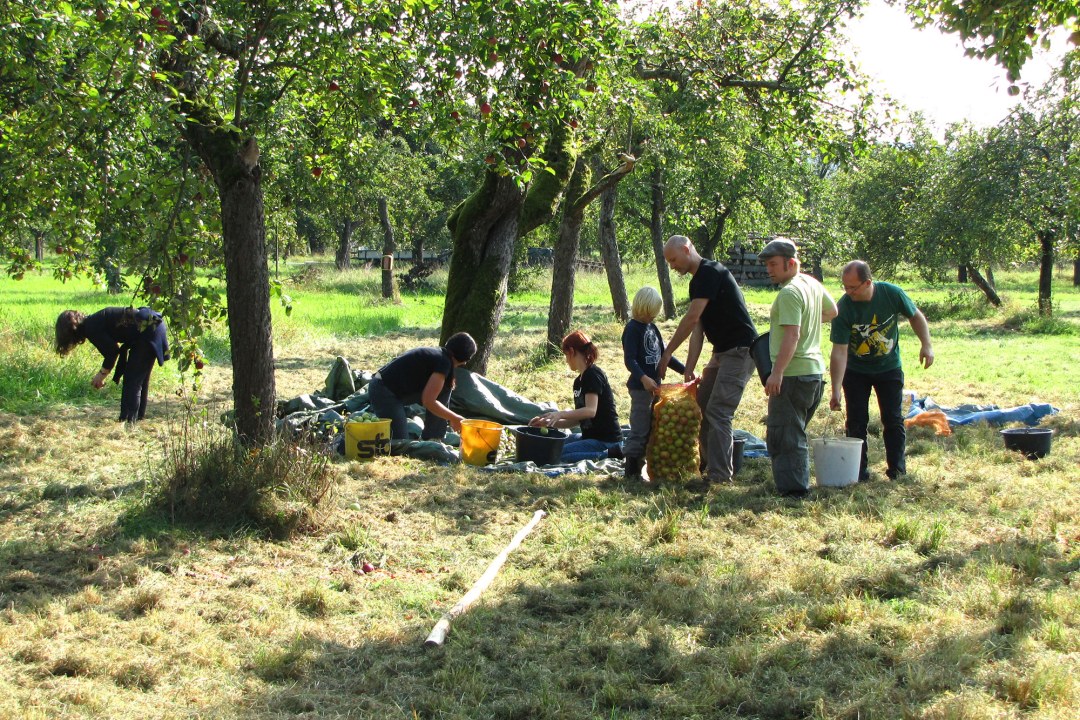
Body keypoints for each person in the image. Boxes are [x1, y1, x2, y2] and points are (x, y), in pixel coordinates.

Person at [658, 235, 758, 483]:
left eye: (673, 259)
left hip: (740, 350)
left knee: (719, 411)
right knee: (700, 406)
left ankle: (721, 475)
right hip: (722, 352)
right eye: (668, 262)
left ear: (686, 248)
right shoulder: (697, 282)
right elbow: (698, 329)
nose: (672, 266)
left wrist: (667, 352)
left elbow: (691, 318)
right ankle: (706, 465)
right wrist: (688, 368)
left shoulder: (710, 271)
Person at [829, 260, 934, 481]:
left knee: (893, 419)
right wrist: (836, 389)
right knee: (856, 421)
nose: (848, 292)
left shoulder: (891, 293)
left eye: (852, 287)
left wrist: (926, 345)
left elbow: (915, 316)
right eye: (844, 287)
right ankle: (858, 473)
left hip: (889, 368)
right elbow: (839, 351)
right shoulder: (844, 308)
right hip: (856, 371)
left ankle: (897, 471)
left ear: (867, 282)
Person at [759, 238, 838, 498]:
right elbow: (832, 311)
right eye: (767, 265)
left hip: (793, 374)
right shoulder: (812, 284)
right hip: (815, 373)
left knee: (786, 435)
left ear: (791, 263)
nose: (769, 269)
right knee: (795, 431)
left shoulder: (790, 292)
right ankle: (795, 484)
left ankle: (794, 492)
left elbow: (792, 336)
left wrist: (777, 372)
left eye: (773, 264)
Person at [54, 306, 170, 423]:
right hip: (153, 325)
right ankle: (136, 419)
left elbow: (112, 352)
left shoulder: (91, 328)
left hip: (148, 329)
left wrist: (101, 375)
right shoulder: (93, 322)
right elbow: (114, 349)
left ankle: (127, 421)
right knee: (139, 379)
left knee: (132, 380)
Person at [529, 330, 623, 463]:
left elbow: (590, 411)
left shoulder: (593, 375)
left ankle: (609, 454)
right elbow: (579, 419)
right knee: (551, 447)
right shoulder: (578, 382)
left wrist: (560, 414)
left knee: (556, 456)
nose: (566, 361)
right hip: (588, 437)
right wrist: (549, 423)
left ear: (572, 352)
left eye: (566, 355)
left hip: (605, 441)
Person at [622, 286, 685, 479]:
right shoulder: (632, 329)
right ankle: (631, 472)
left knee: (652, 427)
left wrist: (685, 371)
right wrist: (644, 378)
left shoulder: (652, 328)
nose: (652, 317)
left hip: (655, 388)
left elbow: (663, 356)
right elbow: (630, 360)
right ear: (643, 308)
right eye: (650, 313)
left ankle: (646, 467)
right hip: (641, 390)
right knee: (640, 428)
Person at [367, 332, 476, 441]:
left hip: (393, 390)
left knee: (446, 387)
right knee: (400, 443)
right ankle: (430, 438)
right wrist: (454, 418)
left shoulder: (439, 356)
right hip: (383, 391)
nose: (465, 364)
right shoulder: (444, 362)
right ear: (463, 358)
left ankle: (434, 437)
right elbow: (428, 401)